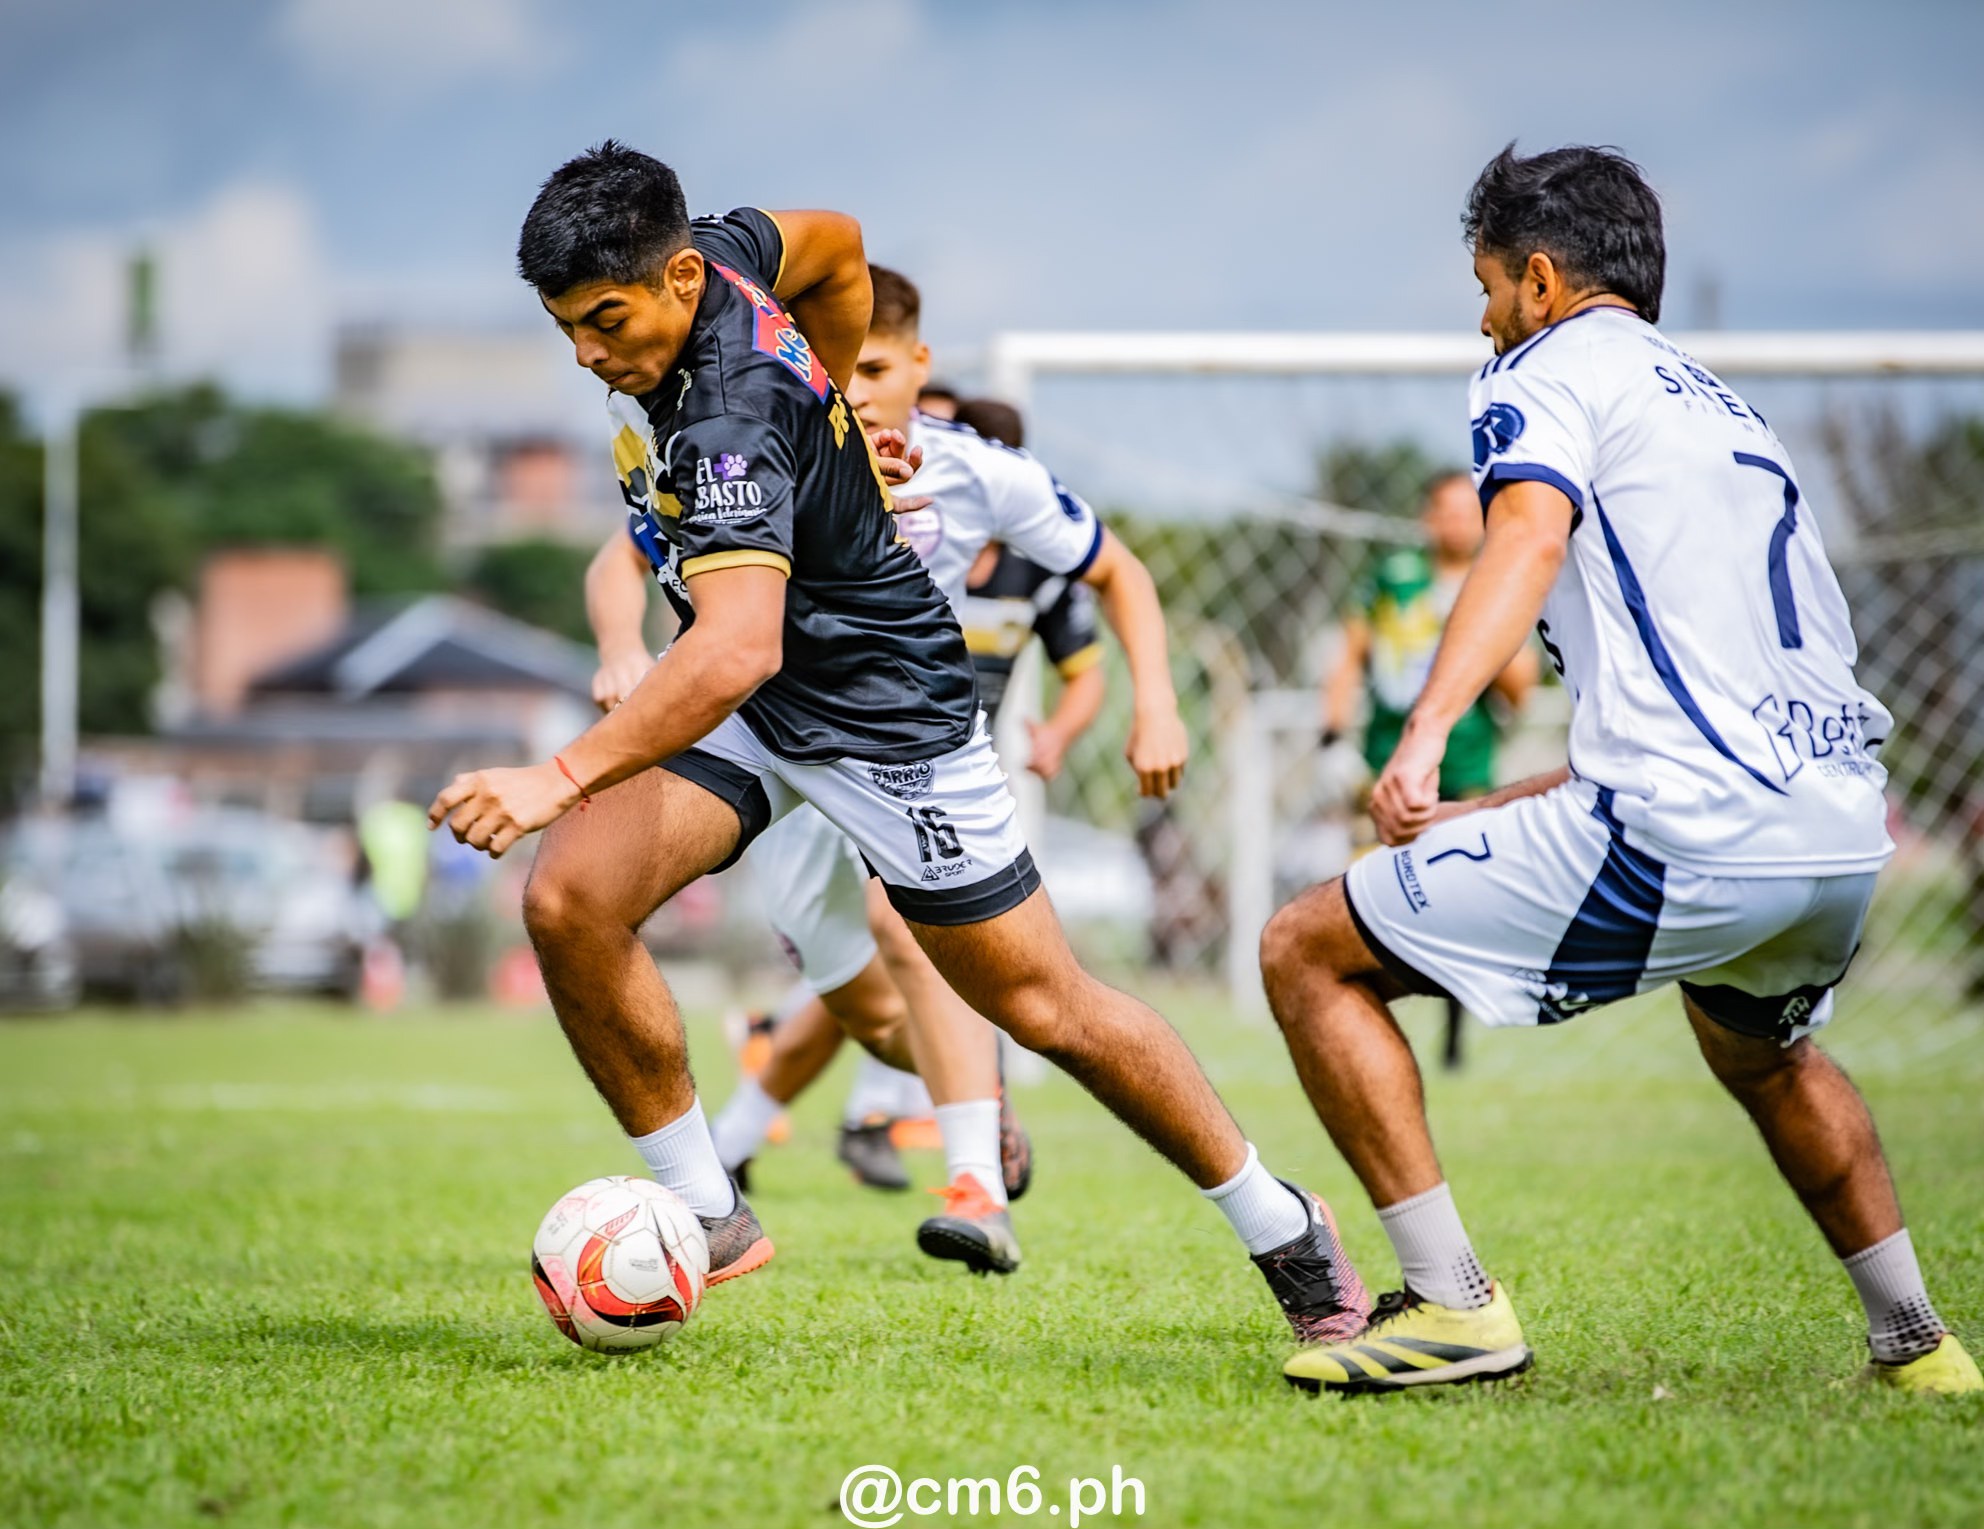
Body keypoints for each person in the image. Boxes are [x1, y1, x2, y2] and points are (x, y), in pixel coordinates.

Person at [431, 143, 1369, 1343]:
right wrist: (827, 407)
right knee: (571, 899)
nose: (586, 354)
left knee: (1045, 1005)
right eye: (566, 327)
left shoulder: (727, 417)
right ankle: (708, 1208)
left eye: (604, 321)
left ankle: (1283, 1224)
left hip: (879, 713)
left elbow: (734, 648)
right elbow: (837, 240)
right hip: (760, 700)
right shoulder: (725, 252)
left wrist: (558, 773)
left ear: (678, 278)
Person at [1262, 142, 1979, 1395]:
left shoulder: (1544, 369)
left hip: (1691, 831)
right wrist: (1487, 801)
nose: (1483, 318)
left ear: (1540, 281)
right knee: (1762, 1051)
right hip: (1833, 825)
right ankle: (1919, 1344)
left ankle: (1452, 1306)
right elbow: (1686, 699)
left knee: (1304, 948)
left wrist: (1424, 730)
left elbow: (1525, 538)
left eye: (1487, 287)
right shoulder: (1721, 410)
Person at [703, 390, 1109, 1208]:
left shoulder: (1038, 568)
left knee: (901, 944)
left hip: (946, 777)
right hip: (837, 756)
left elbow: (1090, 665)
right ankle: (891, 1113)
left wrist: (1062, 732)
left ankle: (946, 1154)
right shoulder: (871, 516)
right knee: (859, 986)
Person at [1321, 471, 1537, 1066]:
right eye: (1447, 510)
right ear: (1427, 518)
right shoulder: (1392, 579)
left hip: (1463, 764)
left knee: (1458, 900)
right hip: (1384, 761)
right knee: (1358, 888)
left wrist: (1475, 620)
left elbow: (1521, 688)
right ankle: (1365, 1024)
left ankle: (1452, 1037)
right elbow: (1348, 655)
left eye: (1469, 511)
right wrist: (1331, 736)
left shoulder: (1499, 581)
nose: (1458, 523)